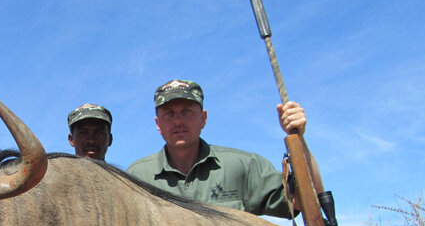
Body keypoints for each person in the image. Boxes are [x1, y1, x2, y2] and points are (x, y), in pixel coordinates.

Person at [126, 79, 321, 217]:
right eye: (168, 113)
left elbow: (306, 201)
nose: (178, 120)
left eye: (187, 111)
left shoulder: (242, 165)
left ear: (203, 119)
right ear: (158, 123)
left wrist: (299, 138)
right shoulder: (136, 176)